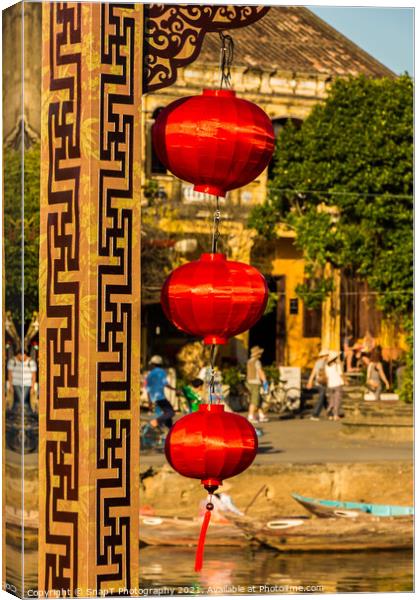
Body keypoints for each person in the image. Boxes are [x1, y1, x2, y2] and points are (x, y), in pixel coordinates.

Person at [145, 355, 176, 429]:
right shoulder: (162, 372)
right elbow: (165, 384)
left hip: (154, 398)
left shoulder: (150, 374)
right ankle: (156, 421)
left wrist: (149, 402)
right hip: (160, 397)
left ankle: (170, 430)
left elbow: (148, 389)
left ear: (152, 364)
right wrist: (174, 389)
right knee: (171, 412)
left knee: (167, 416)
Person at [7, 348, 37, 415]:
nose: (22, 358)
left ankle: (25, 413)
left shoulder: (31, 362)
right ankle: (19, 414)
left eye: (23, 356)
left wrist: (32, 387)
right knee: (20, 400)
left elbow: (34, 375)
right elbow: (9, 374)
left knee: (23, 400)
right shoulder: (12, 361)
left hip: (27, 384)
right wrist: (10, 385)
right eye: (20, 356)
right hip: (16, 383)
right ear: (18, 355)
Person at [246, 346, 268, 423]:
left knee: (259, 399)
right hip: (255, 383)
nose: (260, 355)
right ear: (257, 354)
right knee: (255, 400)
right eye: (259, 353)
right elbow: (260, 372)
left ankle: (261, 415)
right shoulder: (257, 362)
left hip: (249, 382)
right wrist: (265, 381)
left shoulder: (249, 361)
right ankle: (250, 416)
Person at [306, 349, 329, 421]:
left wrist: (310, 382)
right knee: (321, 397)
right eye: (327, 355)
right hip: (322, 383)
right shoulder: (325, 363)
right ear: (325, 356)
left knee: (324, 397)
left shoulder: (317, 362)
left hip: (318, 382)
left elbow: (313, 373)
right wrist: (309, 382)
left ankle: (330, 413)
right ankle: (315, 414)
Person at [325, 351, 345, 421]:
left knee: (332, 400)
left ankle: (330, 410)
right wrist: (345, 381)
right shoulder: (337, 365)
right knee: (337, 400)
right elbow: (340, 374)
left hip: (330, 384)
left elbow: (327, 376)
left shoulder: (327, 366)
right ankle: (335, 415)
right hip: (337, 384)